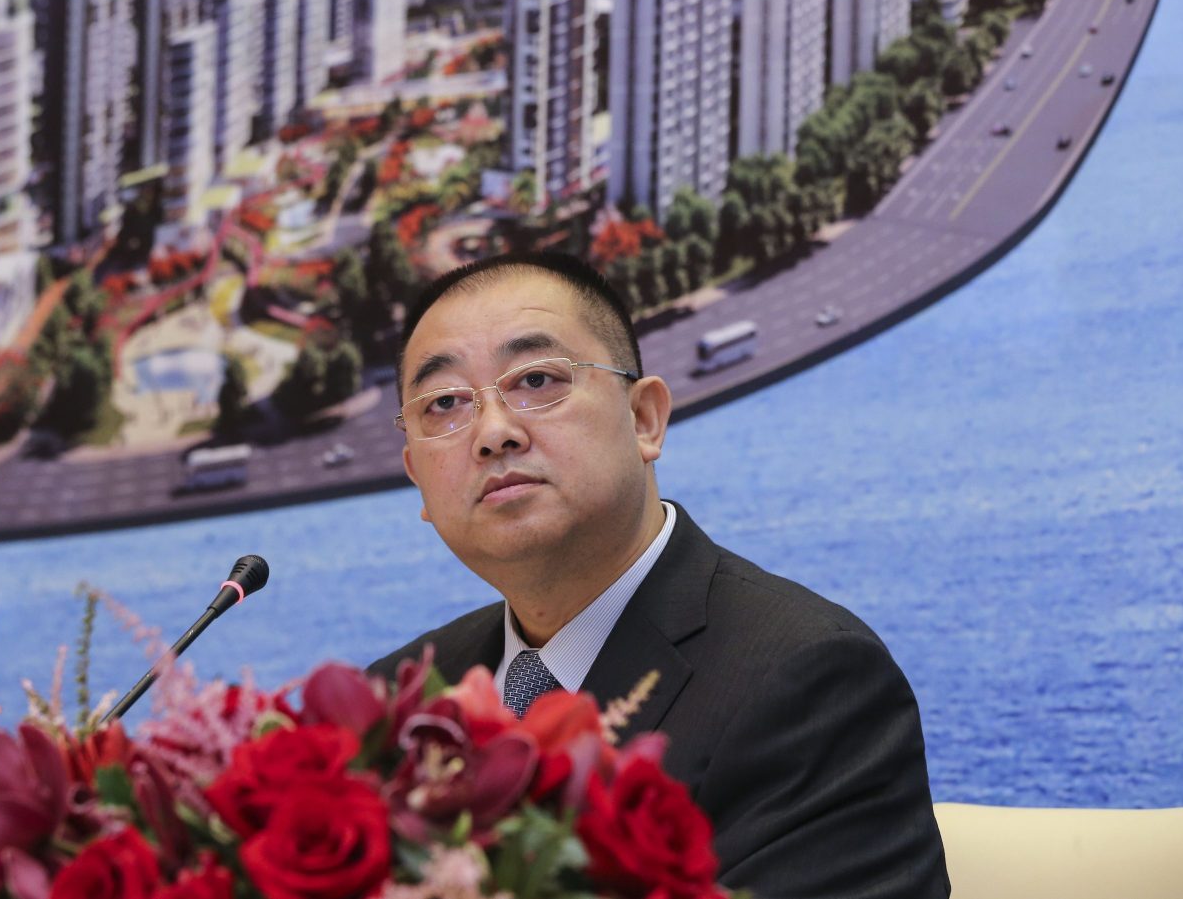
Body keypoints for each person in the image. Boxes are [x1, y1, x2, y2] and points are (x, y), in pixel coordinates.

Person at [369, 253, 949, 898]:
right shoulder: (395, 703)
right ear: (418, 478)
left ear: (645, 419)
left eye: (535, 380)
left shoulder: (807, 681)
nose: (493, 432)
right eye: (444, 402)